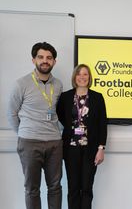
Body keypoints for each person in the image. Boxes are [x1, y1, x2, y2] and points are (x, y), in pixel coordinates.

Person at [7, 42, 63, 209]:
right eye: (40, 57)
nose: (44, 61)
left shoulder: (58, 85)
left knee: (55, 188)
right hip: (29, 142)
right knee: (32, 189)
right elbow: (12, 114)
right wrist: (25, 132)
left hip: (54, 143)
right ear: (33, 60)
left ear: (54, 61)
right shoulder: (21, 84)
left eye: (49, 58)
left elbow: (59, 113)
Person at [56, 64, 107, 209]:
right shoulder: (66, 97)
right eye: (79, 74)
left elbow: (102, 124)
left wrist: (101, 148)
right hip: (70, 149)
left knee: (86, 188)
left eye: (85, 74)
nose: (82, 77)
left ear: (89, 77)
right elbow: (60, 116)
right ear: (74, 77)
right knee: (73, 189)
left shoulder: (97, 97)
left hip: (90, 150)